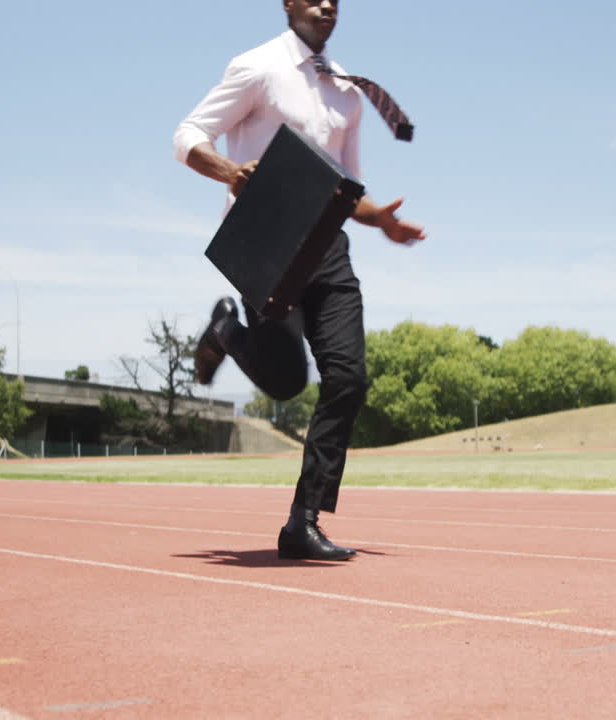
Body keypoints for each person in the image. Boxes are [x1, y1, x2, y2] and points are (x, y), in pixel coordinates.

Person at [173, 0, 425, 561]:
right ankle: (226, 333)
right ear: (288, 3)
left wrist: (378, 218)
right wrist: (230, 172)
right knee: (287, 382)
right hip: (268, 242)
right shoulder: (256, 67)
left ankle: (302, 522)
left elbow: (347, 187)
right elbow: (187, 135)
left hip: (329, 248)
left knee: (349, 377)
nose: (328, 5)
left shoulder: (346, 91)